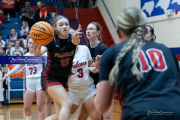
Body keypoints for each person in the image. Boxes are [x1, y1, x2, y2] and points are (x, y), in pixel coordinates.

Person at [94, 7, 180, 120]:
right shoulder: (165, 50)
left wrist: (99, 88)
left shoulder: (111, 53)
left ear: (118, 32)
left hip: (139, 114)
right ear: (145, 31)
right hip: (174, 113)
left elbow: (102, 106)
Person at [32, 15, 82, 120]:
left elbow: (76, 42)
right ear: (55, 28)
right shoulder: (52, 41)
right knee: (67, 103)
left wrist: (76, 36)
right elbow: (39, 53)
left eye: (67, 24)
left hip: (63, 79)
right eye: (61, 25)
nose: (65, 26)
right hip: (50, 77)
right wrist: (36, 50)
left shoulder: (72, 39)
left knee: (60, 115)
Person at [1, 38, 47, 120]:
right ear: (27, 45)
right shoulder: (25, 56)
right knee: (26, 107)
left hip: (40, 81)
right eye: (30, 42)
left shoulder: (43, 55)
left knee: (40, 107)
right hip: (29, 82)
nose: (32, 44)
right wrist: (6, 75)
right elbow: (17, 67)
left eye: (34, 42)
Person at [82, 22, 114, 120]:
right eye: (87, 29)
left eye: (91, 29)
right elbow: (84, 67)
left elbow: (110, 69)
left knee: (105, 117)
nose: (88, 31)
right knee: (84, 116)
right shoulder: (85, 48)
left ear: (98, 32)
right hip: (90, 85)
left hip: (102, 84)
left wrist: (98, 68)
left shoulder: (103, 48)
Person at [68, 45, 101, 120]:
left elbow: (90, 65)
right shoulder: (63, 52)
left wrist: (95, 64)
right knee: (64, 116)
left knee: (97, 117)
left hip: (88, 88)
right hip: (73, 90)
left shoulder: (84, 49)